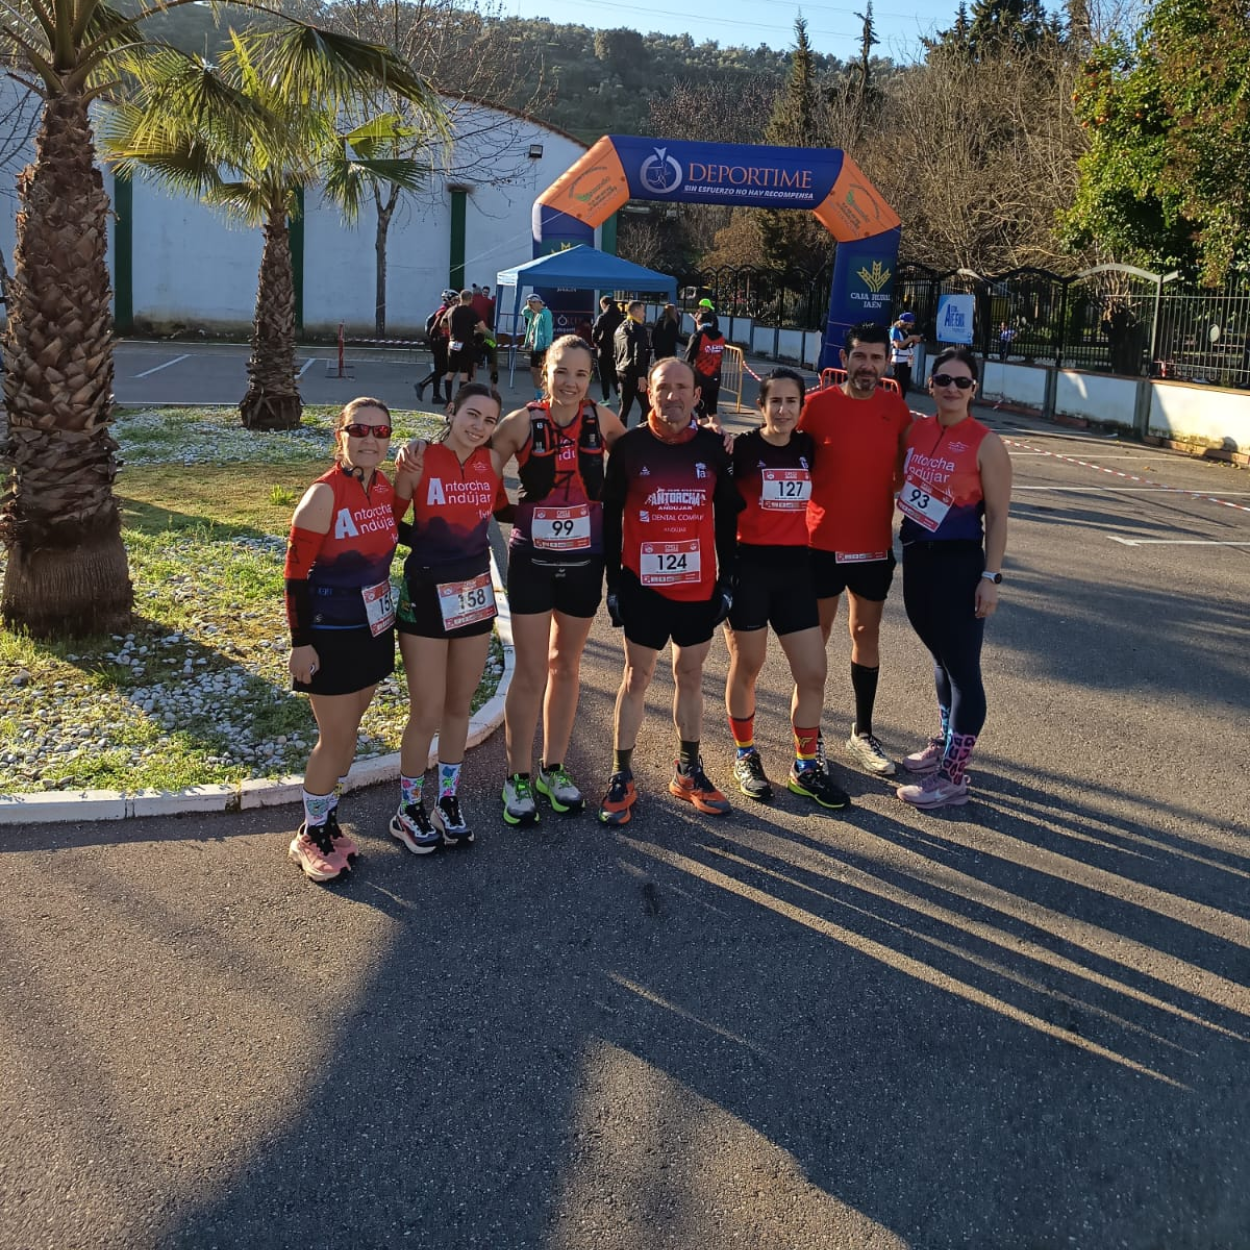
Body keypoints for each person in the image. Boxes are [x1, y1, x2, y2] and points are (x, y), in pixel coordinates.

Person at [491, 335, 629, 824]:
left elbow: (644, 457)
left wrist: (707, 436)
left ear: (590, 378)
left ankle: (553, 768)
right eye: (561, 371)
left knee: (565, 665)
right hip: (533, 561)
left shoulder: (602, 420)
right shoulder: (520, 422)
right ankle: (517, 776)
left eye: (581, 374)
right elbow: (479, 470)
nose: (570, 382)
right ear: (544, 372)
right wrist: (510, 512)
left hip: (584, 561)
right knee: (531, 671)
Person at [598, 357, 741, 826]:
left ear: (697, 395)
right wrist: (613, 584)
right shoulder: (629, 447)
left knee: (691, 676)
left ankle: (688, 771)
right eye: (663, 387)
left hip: (697, 588)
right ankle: (621, 774)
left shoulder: (714, 447)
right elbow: (611, 519)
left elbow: (728, 517)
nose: (672, 396)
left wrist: (728, 581)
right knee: (636, 677)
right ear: (648, 391)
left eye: (682, 387)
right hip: (644, 587)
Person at [283, 398, 403, 882]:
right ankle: (310, 834)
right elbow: (294, 576)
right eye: (359, 430)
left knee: (349, 735)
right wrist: (301, 642)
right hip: (329, 632)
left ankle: (327, 821)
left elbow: (396, 531)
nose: (370, 439)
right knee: (333, 740)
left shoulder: (382, 487)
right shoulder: (323, 494)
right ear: (341, 436)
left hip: (373, 627)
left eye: (380, 431)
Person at [723, 370, 849, 810]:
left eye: (791, 401)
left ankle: (805, 766)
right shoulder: (741, 448)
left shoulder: (806, 448)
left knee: (813, 672)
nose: (782, 410)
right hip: (749, 569)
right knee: (748, 665)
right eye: (774, 401)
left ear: (800, 407)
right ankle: (745, 755)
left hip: (795, 570)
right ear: (761, 406)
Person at [389, 384, 505, 851]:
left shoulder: (491, 462)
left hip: (474, 595)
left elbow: (505, 510)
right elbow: (388, 520)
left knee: (460, 705)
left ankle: (447, 801)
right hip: (426, 595)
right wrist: (427, 543)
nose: (478, 426)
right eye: (472, 415)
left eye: (489, 420)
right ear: (451, 411)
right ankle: (408, 808)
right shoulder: (419, 459)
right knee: (427, 709)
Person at [895, 347, 1012, 809]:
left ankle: (953, 776)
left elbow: (998, 518)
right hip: (917, 559)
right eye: (943, 379)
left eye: (962, 382)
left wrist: (991, 577)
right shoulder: (916, 430)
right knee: (941, 660)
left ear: (973, 389)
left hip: (960, 565)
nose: (952, 388)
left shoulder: (987, 443)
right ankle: (946, 744)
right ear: (931, 384)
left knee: (963, 670)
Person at [798, 321, 913, 777]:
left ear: (887, 362)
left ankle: (862, 733)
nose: (868, 365)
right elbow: (781, 454)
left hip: (872, 546)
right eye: (860, 356)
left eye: (876, 357)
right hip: (821, 543)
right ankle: (809, 738)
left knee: (866, 634)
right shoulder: (815, 407)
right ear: (844, 359)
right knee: (816, 641)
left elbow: (911, 468)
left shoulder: (895, 409)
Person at [442, 289, 489, 398]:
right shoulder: (471, 312)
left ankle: (448, 400)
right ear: (471, 299)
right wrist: (475, 329)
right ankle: (460, 399)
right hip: (465, 345)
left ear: (460, 298)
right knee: (464, 373)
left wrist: (453, 327)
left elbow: (442, 324)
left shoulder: (451, 310)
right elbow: (483, 328)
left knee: (450, 372)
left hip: (452, 344)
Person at [613, 300, 651, 427]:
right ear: (635, 311)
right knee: (647, 406)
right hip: (634, 372)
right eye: (643, 311)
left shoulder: (619, 328)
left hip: (621, 370)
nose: (644, 314)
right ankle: (642, 433)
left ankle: (620, 434)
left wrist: (618, 368)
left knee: (625, 406)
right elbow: (638, 352)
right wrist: (641, 375)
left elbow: (616, 351)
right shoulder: (639, 329)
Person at [685, 310, 727, 424]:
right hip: (715, 377)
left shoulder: (698, 336)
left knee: (701, 413)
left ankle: (703, 433)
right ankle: (716, 433)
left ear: (698, 322)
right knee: (713, 411)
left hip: (700, 378)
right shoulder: (720, 336)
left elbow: (688, 358)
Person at [416, 290, 455, 405]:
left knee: (439, 369)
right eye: (454, 300)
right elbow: (434, 328)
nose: (456, 302)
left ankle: (436, 396)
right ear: (448, 300)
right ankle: (421, 385)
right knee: (443, 369)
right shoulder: (443, 311)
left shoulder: (446, 309)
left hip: (440, 343)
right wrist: (433, 341)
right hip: (439, 344)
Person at [591, 296, 623, 403]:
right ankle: (619, 394)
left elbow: (595, 331)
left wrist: (597, 342)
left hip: (604, 349)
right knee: (615, 374)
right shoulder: (620, 317)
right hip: (617, 350)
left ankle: (606, 398)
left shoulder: (603, 317)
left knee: (604, 375)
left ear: (604, 304)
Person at [522, 293, 554, 402]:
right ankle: (538, 393)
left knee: (543, 372)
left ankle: (546, 393)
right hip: (534, 346)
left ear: (538, 302)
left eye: (532, 304)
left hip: (542, 347)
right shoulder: (533, 314)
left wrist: (547, 346)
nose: (530, 307)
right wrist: (529, 304)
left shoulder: (546, 313)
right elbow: (524, 312)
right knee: (533, 370)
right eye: (529, 305)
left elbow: (548, 330)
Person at [890, 311, 922, 396]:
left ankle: (901, 401)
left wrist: (915, 341)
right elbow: (898, 345)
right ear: (905, 323)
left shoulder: (907, 332)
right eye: (910, 324)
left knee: (905, 385)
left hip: (908, 360)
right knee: (898, 385)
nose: (911, 326)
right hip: (899, 361)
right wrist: (911, 338)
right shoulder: (895, 330)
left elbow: (909, 346)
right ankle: (895, 401)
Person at [472, 284, 499, 383]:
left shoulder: (470, 301)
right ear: (481, 292)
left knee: (474, 361)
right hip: (485, 331)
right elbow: (494, 302)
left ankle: (472, 383)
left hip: (473, 332)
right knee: (491, 348)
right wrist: (494, 297)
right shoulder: (487, 302)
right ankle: (494, 386)